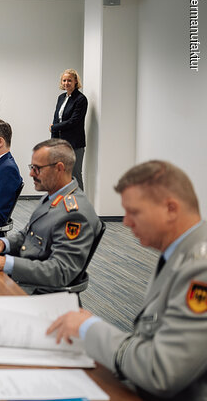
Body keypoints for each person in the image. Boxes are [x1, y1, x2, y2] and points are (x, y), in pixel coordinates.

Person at [47, 161, 207, 400]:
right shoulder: (178, 253)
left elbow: (162, 371)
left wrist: (89, 328)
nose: (126, 222)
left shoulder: (199, 269)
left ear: (171, 209)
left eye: (134, 212)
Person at [0, 139, 100, 294]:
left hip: (39, 294)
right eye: (31, 167)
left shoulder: (75, 214)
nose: (31, 174)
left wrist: (5, 263)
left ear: (59, 168)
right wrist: (3, 243)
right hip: (24, 281)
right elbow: (28, 234)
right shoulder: (52, 196)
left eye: (37, 168)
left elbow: (61, 272)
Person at [51, 69, 87, 189]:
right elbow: (56, 118)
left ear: (76, 81)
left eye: (69, 80)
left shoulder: (81, 99)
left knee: (75, 175)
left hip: (74, 144)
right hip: (60, 144)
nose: (66, 83)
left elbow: (74, 121)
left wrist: (54, 127)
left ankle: (80, 205)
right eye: (64, 80)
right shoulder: (61, 97)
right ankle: (65, 205)